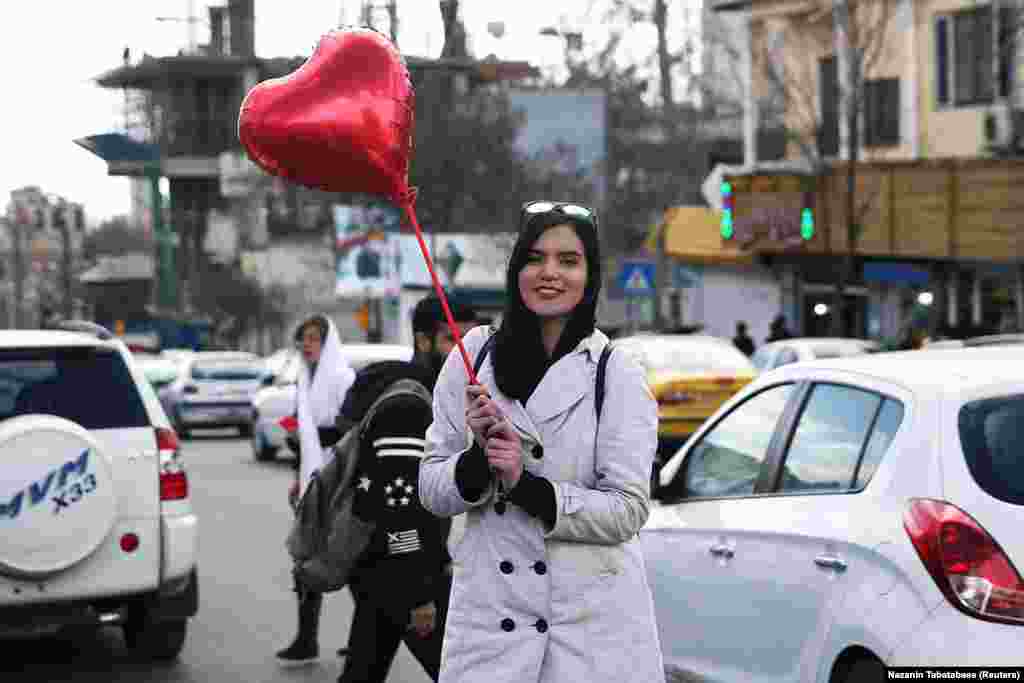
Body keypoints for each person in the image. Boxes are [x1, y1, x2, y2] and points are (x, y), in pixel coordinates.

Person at [419, 201, 665, 683]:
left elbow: (628, 510)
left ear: (590, 275)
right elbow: (431, 486)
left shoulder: (616, 374)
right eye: (535, 257)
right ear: (516, 269)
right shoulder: (473, 357)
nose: (549, 273)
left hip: (588, 639)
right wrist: (476, 463)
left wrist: (526, 485)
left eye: (568, 261)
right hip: (489, 633)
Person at [333, 294, 479, 683]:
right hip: (400, 571)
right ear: (423, 341)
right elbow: (400, 507)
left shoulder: (440, 397)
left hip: (392, 571)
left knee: (363, 671)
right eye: (451, 339)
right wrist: (419, 594)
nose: (462, 351)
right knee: (461, 674)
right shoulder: (410, 406)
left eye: (470, 339)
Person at [276, 315, 356, 667]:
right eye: (302, 339)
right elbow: (306, 433)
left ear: (327, 341)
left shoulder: (343, 379)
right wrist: (298, 469)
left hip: (339, 481)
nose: (306, 345)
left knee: (351, 559)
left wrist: (323, 438)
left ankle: (363, 639)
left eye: (313, 338)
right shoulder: (303, 379)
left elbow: (353, 432)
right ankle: (306, 638)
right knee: (305, 555)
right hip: (311, 480)